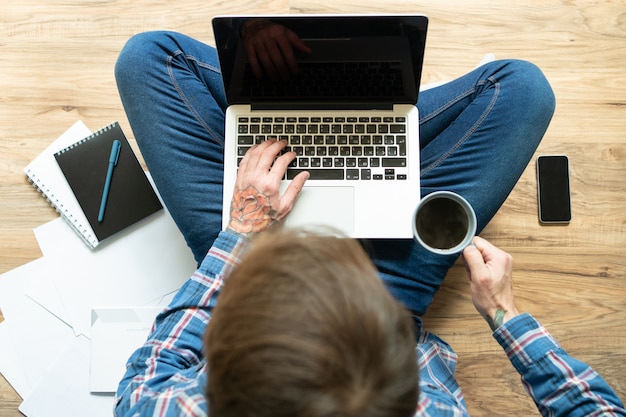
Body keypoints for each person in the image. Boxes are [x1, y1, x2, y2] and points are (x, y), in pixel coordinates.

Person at [112, 25, 625, 417]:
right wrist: (506, 319)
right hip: (388, 295)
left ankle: (333, 107)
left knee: (148, 58)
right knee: (523, 91)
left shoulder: (169, 408)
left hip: (256, 274)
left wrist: (243, 229)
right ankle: (381, 111)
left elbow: (150, 373)